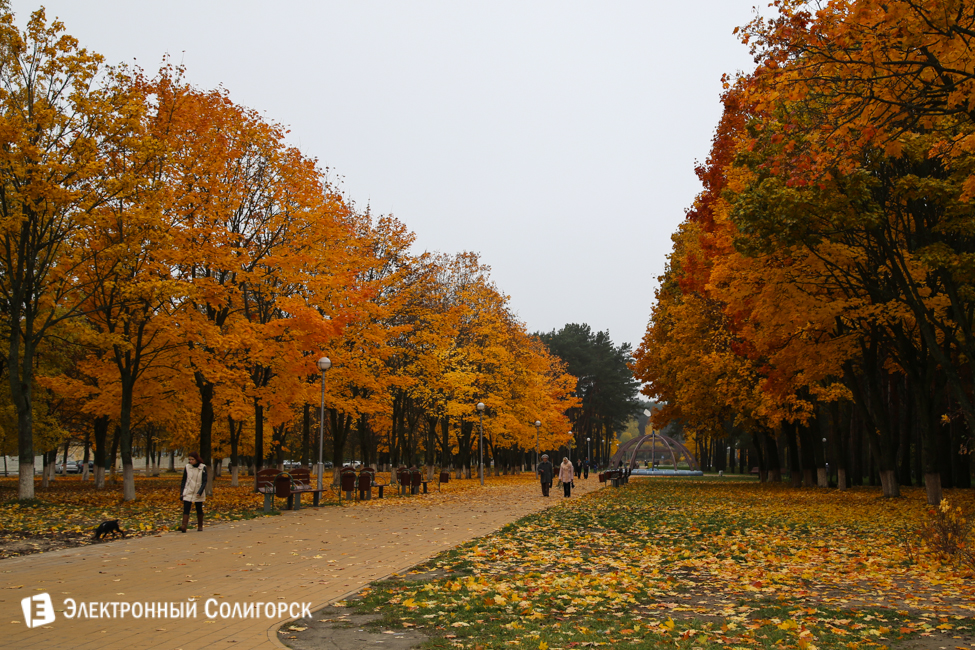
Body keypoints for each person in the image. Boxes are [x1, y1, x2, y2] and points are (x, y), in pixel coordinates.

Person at [179, 452, 208, 532]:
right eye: (189, 459)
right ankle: (184, 526)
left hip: (198, 491)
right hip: (188, 490)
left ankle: (200, 526)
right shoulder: (187, 467)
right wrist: (182, 492)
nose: (190, 461)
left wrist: (200, 491)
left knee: (198, 508)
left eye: (192, 459)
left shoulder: (202, 467)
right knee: (186, 507)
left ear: (197, 459)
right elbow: (184, 480)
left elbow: (204, 481)